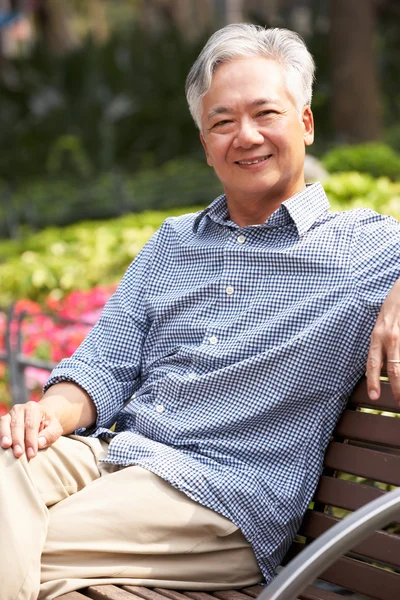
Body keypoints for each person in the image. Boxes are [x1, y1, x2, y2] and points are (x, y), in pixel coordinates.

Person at [1, 23, 400, 600]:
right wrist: (45, 417)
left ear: (305, 124)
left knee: (27, 545)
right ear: (205, 145)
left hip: (218, 498)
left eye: (266, 113)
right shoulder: (173, 242)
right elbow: (103, 366)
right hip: (115, 457)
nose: (246, 136)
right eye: (222, 122)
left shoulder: (365, 248)